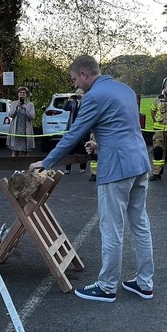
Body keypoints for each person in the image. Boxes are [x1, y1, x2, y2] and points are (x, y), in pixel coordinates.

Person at [29, 54, 154, 302]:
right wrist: (99, 146)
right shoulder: (126, 90)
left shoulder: (93, 96)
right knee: (140, 224)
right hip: (139, 163)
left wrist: (47, 161)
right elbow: (124, 129)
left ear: (85, 74)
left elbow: (73, 134)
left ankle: (107, 287)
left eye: (75, 79)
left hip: (117, 170)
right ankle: (144, 283)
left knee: (111, 227)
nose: (76, 84)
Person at [63, 89, 88, 174]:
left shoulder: (86, 102)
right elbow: (65, 108)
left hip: (83, 129)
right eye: (77, 93)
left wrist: (82, 100)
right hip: (72, 129)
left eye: (81, 93)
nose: (79, 95)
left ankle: (82, 167)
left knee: (82, 149)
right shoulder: (73, 103)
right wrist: (70, 100)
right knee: (70, 150)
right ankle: (67, 168)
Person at [7, 86, 35, 157]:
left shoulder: (30, 104)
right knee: (15, 151)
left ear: (26, 95)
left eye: (24, 93)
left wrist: (25, 108)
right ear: (18, 94)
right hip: (16, 130)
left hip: (25, 131)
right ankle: (14, 166)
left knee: (25, 152)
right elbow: (11, 115)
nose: (22, 94)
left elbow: (32, 117)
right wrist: (17, 107)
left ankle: (25, 167)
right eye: (20, 92)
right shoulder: (14, 103)